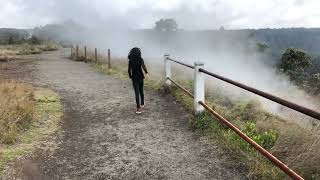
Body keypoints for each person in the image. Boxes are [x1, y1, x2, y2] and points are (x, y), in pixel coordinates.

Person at [128, 47, 148, 114]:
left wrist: (130, 76)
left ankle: (138, 109)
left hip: (134, 78)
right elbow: (143, 66)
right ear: (139, 52)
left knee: (136, 93)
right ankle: (142, 103)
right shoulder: (140, 59)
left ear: (132, 52)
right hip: (140, 77)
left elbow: (129, 70)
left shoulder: (130, 60)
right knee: (141, 90)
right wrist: (146, 72)